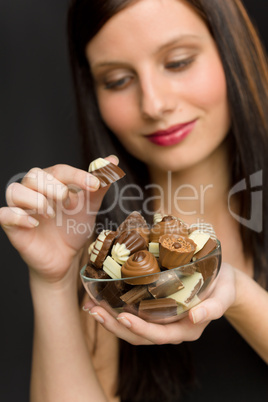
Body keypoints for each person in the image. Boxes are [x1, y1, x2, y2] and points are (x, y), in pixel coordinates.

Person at [1, 0, 268, 401]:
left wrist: (238, 294)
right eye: (118, 80)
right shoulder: (113, 265)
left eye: (178, 62)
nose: (154, 105)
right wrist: (52, 283)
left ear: (231, 50)